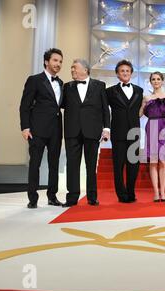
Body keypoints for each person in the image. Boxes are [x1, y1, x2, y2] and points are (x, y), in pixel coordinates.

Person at [61, 59, 110, 207]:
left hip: (92, 131)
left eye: (74, 68)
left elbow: (104, 109)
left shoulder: (99, 85)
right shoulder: (67, 87)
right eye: (71, 68)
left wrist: (106, 129)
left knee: (91, 165)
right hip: (72, 131)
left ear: (85, 70)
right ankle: (72, 197)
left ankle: (92, 197)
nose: (72, 71)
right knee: (72, 165)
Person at [19, 48, 64, 209]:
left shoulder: (60, 83)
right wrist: (25, 127)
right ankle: (33, 198)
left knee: (54, 164)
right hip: (37, 129)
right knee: (35, 164)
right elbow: (25, 105)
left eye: (60, 61)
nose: (58, 64)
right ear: (46, 61)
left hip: (56, 130)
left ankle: (52, 196)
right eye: (55, 60)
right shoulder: (35, 80)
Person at [106, 60, 144, 203]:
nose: (125, 73)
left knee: (133, 164)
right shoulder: (109, 92)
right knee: (118, 165)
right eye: (122, 71)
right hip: (118, 132)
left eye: (127, 71)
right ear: (117, 74)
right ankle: (121, 195)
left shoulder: (139, 90)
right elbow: (104, 111)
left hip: (134, 132)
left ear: (131, 73)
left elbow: (140, 110)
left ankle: (131, 192)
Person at [139, 72, 165, 202]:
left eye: (158, 79)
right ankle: (156, 193)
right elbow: (139, 114)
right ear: (150, 82)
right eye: (153, 79)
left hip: (164, 128)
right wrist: (143, 104)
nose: (156, 81)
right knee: (154, 162)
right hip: (152, 127)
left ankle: (163, 192)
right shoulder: (147, 97)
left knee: (163, 162)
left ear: (162, 81)